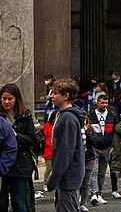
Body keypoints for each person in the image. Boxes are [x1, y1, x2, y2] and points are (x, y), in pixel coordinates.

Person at [44, 79, 85, 212]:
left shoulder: (68, 118)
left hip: (69, 177)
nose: (52, 96)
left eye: (55, 93)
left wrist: (54, 178)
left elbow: (65, 152)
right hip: (67, 177)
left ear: (66, 96)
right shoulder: (61, 115)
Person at [0, 84, 39, 212]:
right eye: (4, 99)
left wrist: (15, 135)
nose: (6, 102)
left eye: (10, 99)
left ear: (16, 99)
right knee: (0, 202)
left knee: (20, 201)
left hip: (20, 164)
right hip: (2, 163)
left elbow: (31, 140)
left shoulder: (25, 116)